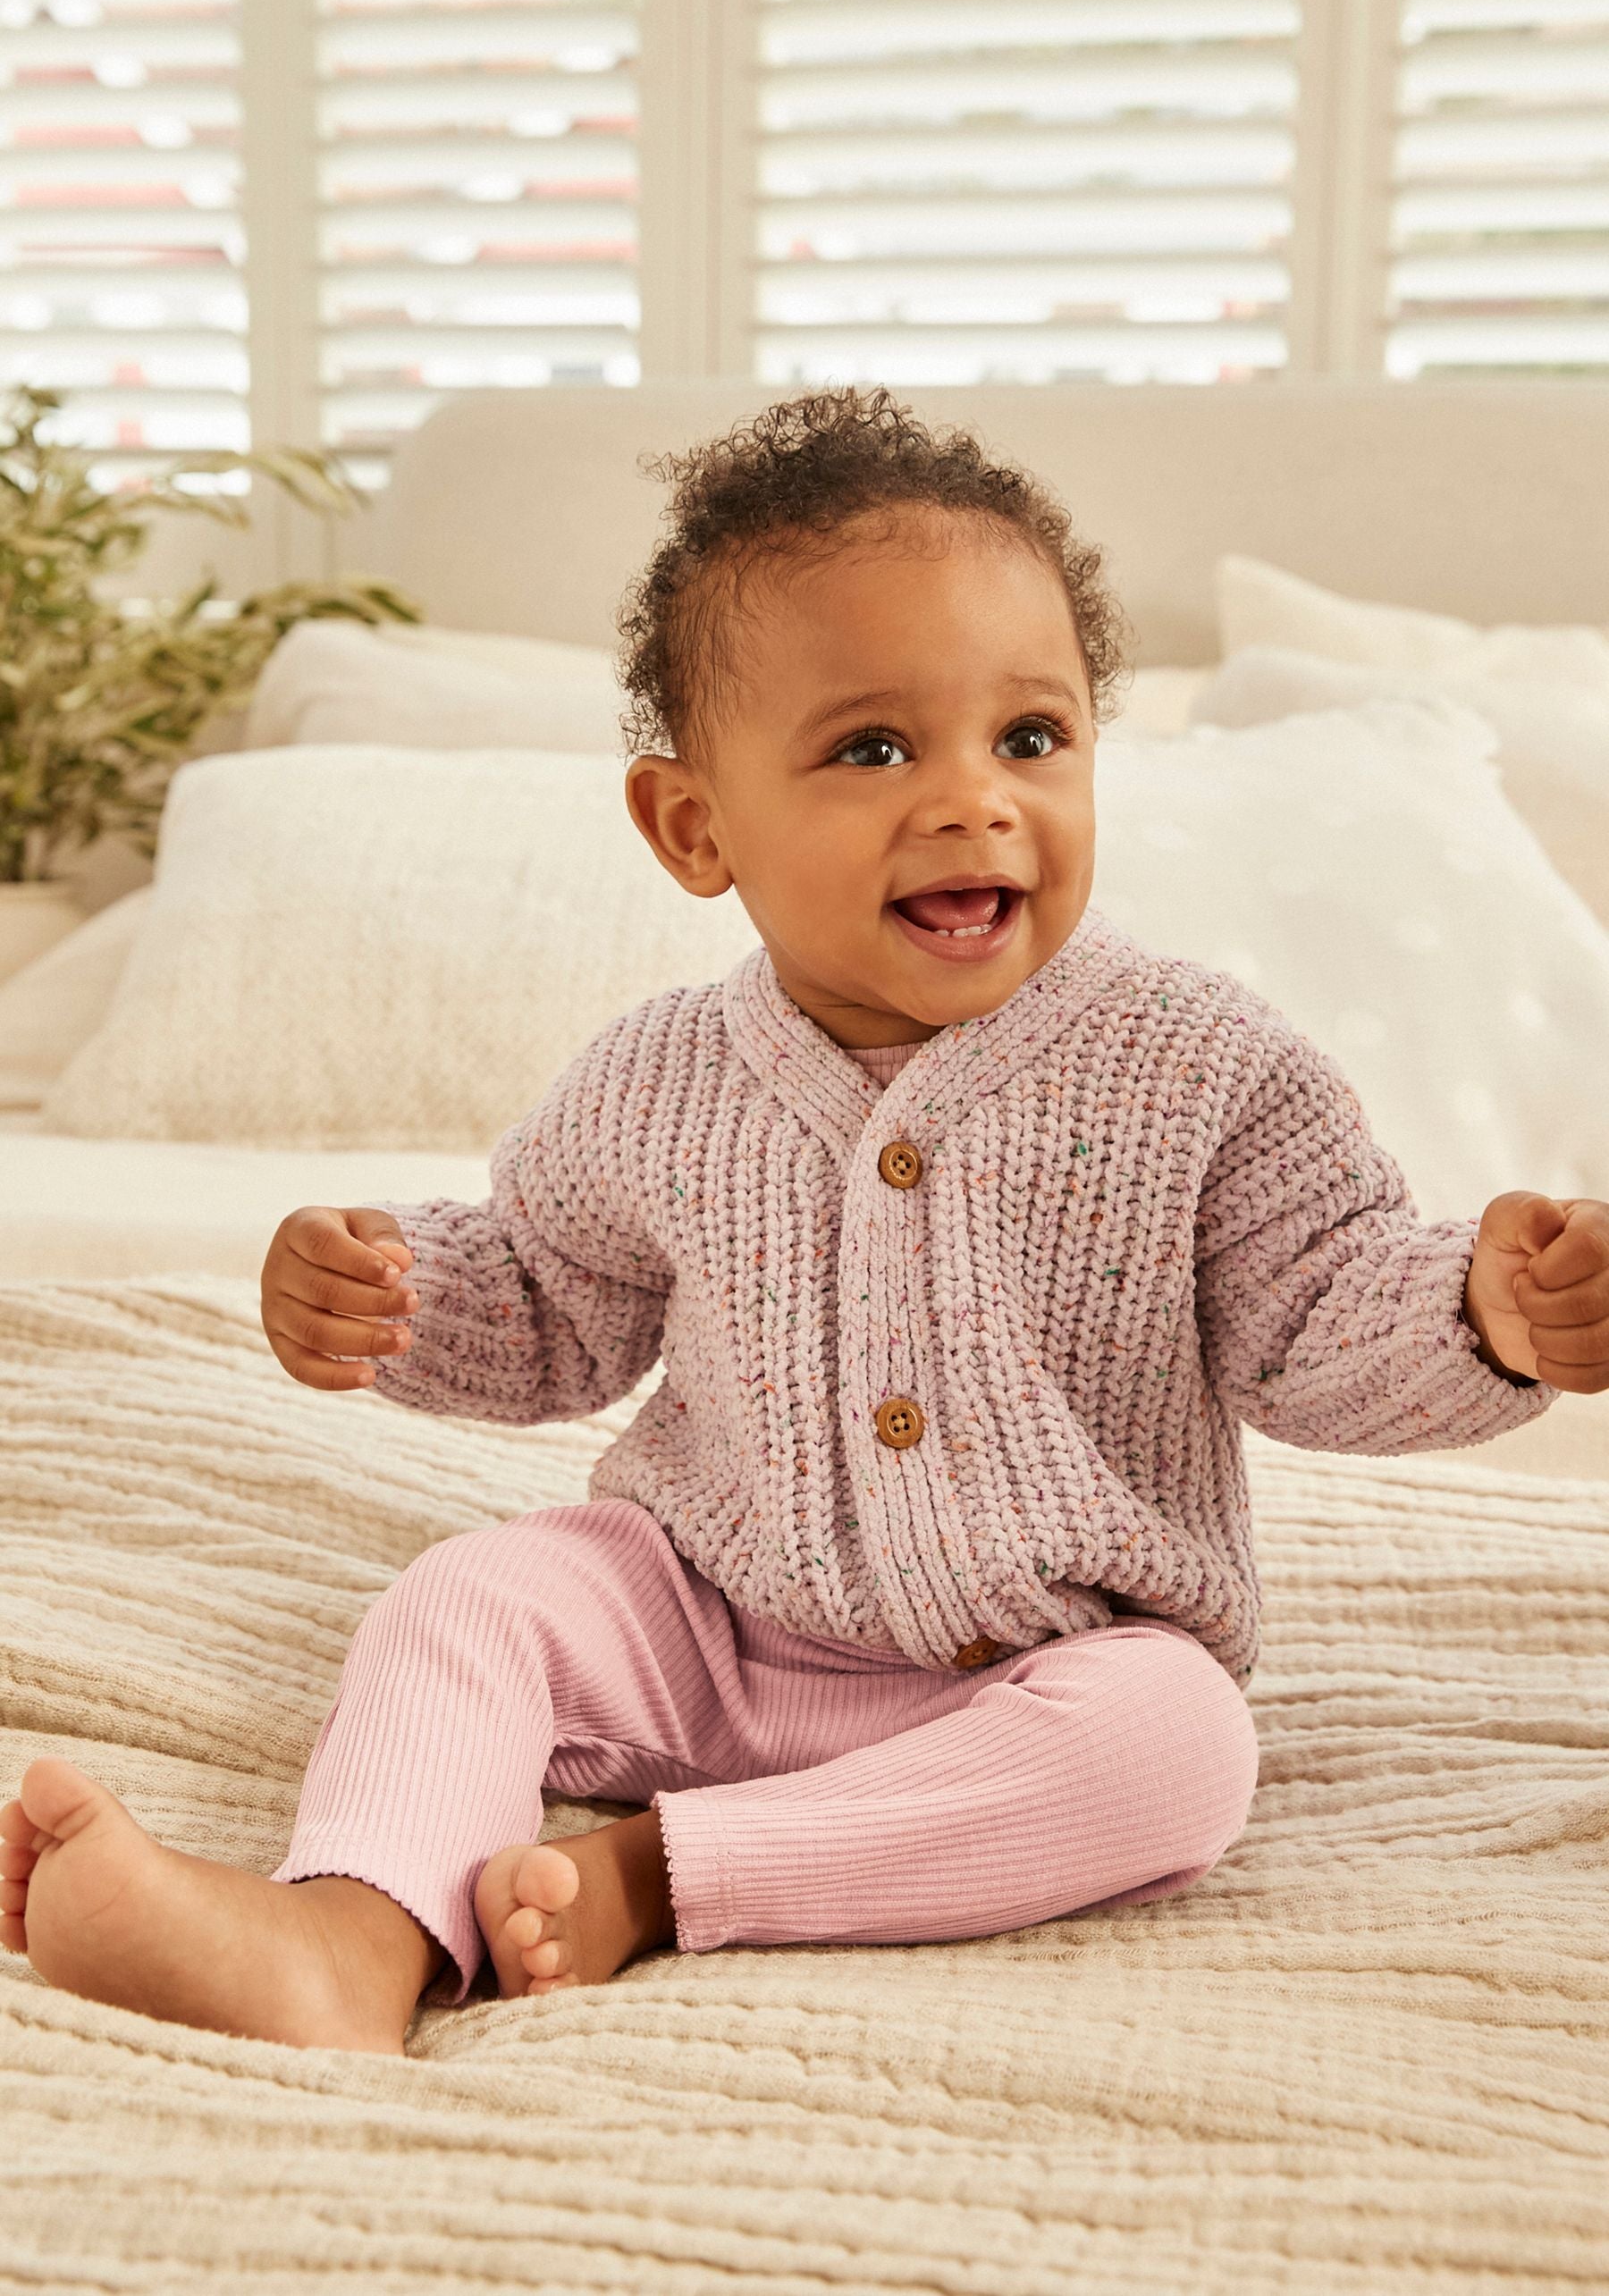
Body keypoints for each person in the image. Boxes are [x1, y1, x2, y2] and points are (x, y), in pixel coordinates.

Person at [5, 385, 1605, 2061]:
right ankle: (345, 1937)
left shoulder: (1200, 1067)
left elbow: (1318, 1313)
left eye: (1032, 738)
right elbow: (555, 1298)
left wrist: (1482, 1317)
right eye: (873, 748)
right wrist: (390, 1295)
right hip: (703, 1624)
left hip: (1037, 1672)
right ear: (696, 827)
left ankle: (662, 1879)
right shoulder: (658, 1080)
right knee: (476, 1593)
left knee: (1182, 1740)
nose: (975, 800)